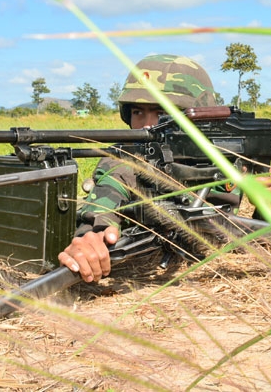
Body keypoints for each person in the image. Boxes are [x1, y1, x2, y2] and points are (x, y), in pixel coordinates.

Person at [58, 54, 219, 282]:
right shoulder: (125, 160)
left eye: (162, 113)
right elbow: (104, 201)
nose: (147, 125)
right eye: (137, 112)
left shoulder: (224, 158)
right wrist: (91, 238)